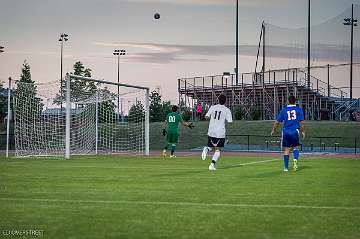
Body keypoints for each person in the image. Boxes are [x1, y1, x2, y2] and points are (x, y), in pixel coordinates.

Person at [271, 95, 305, 172]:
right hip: (295, 131)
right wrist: (303, 132)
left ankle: (286, 168)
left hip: (286, 132)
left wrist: (273, 130)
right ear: (295, 101)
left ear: (288, 101)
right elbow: (302, 123)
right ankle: (295, 161)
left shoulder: (284, 110)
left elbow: (277, 122)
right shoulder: (299, 110)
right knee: (296, 148)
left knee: (286, 150)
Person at [201, 94, 233, 171]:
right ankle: (212, 165)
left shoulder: (213, 107)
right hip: (220, 132)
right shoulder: (227, 110)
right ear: (226, 101)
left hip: (211, 130)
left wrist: (211, 119)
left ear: (218, 100)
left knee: (211, 146)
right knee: (218, 149)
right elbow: (230, 122)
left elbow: (206, 117)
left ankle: (207, 149)